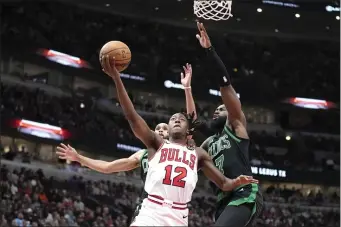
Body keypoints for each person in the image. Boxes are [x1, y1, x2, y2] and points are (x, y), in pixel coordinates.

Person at [100, 55, 258, 226]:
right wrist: (117, 78)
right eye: (173, 118)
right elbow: (132, 116)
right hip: (151, 210)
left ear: (188, 129)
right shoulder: (156, 143)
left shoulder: (197, 152)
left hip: (178, 215)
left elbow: (224, 183)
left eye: (181, 119)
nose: (176, 119)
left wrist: (236, 182)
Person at [192, 22, 264, 227]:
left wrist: (209, 51)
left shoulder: (235, 125)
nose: (217, 110)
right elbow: (188, 154)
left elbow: (225, 85)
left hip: (244, 193)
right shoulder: (207, 144)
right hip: (223, 200)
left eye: (222, 108)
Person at [56, 123, 169, 224]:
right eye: (157, 128)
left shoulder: (182, 154)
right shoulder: (142, 154)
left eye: (165, 128)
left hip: (171, 209)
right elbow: (108, 167)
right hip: (147, 207)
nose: (160, 130)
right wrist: (79, 158)